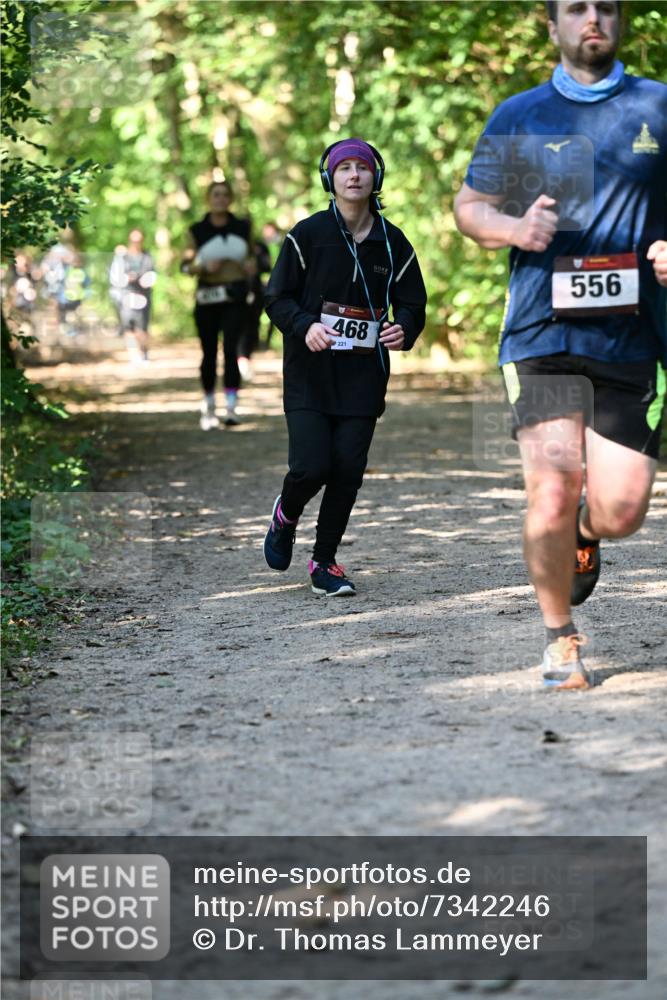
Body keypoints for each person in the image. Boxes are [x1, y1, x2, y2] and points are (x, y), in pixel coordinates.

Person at [454, 0, 667, 689]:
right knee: (547, 490)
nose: (591, 18)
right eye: (575, 8)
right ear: (552, 26)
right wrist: (512, 230)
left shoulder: (656, 108)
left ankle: (585, 529)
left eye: (604, 6)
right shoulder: (522, 115)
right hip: (540, 333)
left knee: (620, 511)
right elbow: (470, 208)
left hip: (631, 338)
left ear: (620, 21)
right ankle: (560, 639)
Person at [263, 138, 427, 597]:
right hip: (310, 374)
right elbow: (276, 298)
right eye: (344, 168)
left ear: (376, 177)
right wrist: (304, 325)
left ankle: (324, 561)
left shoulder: (393, 243)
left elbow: (413, 302)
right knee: (311, 466)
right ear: (329, 179)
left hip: (363, 375)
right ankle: (285, 515)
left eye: (362, 168)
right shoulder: (307, 235)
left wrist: (404, 329)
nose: (354, 175)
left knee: (348, 470)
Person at [181, 180, 253, 429]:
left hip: (235, 297)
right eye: (216, 195)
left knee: (231, 349)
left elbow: (254, 257)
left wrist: (250, 266)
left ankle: (232, 407)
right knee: (209, 352)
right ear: (208, 199)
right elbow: (185, 266)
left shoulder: (243, 227)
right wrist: (202, 267)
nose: (220, 199)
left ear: (230, 199)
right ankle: (209, 405)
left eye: (225, 195)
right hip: (207, 298)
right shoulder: (196, 230)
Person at [109, 230, 156, 362]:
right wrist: (126, 279)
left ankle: (144, 352)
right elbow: (115, 277)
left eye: (139, 240)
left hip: (144, 295)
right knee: (128, 328)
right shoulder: (122, 257)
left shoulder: (147, 256)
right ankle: (133, 355)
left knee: (143, 328)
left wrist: (144, 280)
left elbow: (152, 275)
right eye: (134, 240)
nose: (136, 243)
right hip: (126, 296)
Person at [237, 235, 272, 380]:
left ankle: (246, 358)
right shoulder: (235, 246)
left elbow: (267, 266)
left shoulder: (259, 246)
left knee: (252, 327)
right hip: (237, 294)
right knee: (239, 329)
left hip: (256, 294)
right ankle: (241, 360)